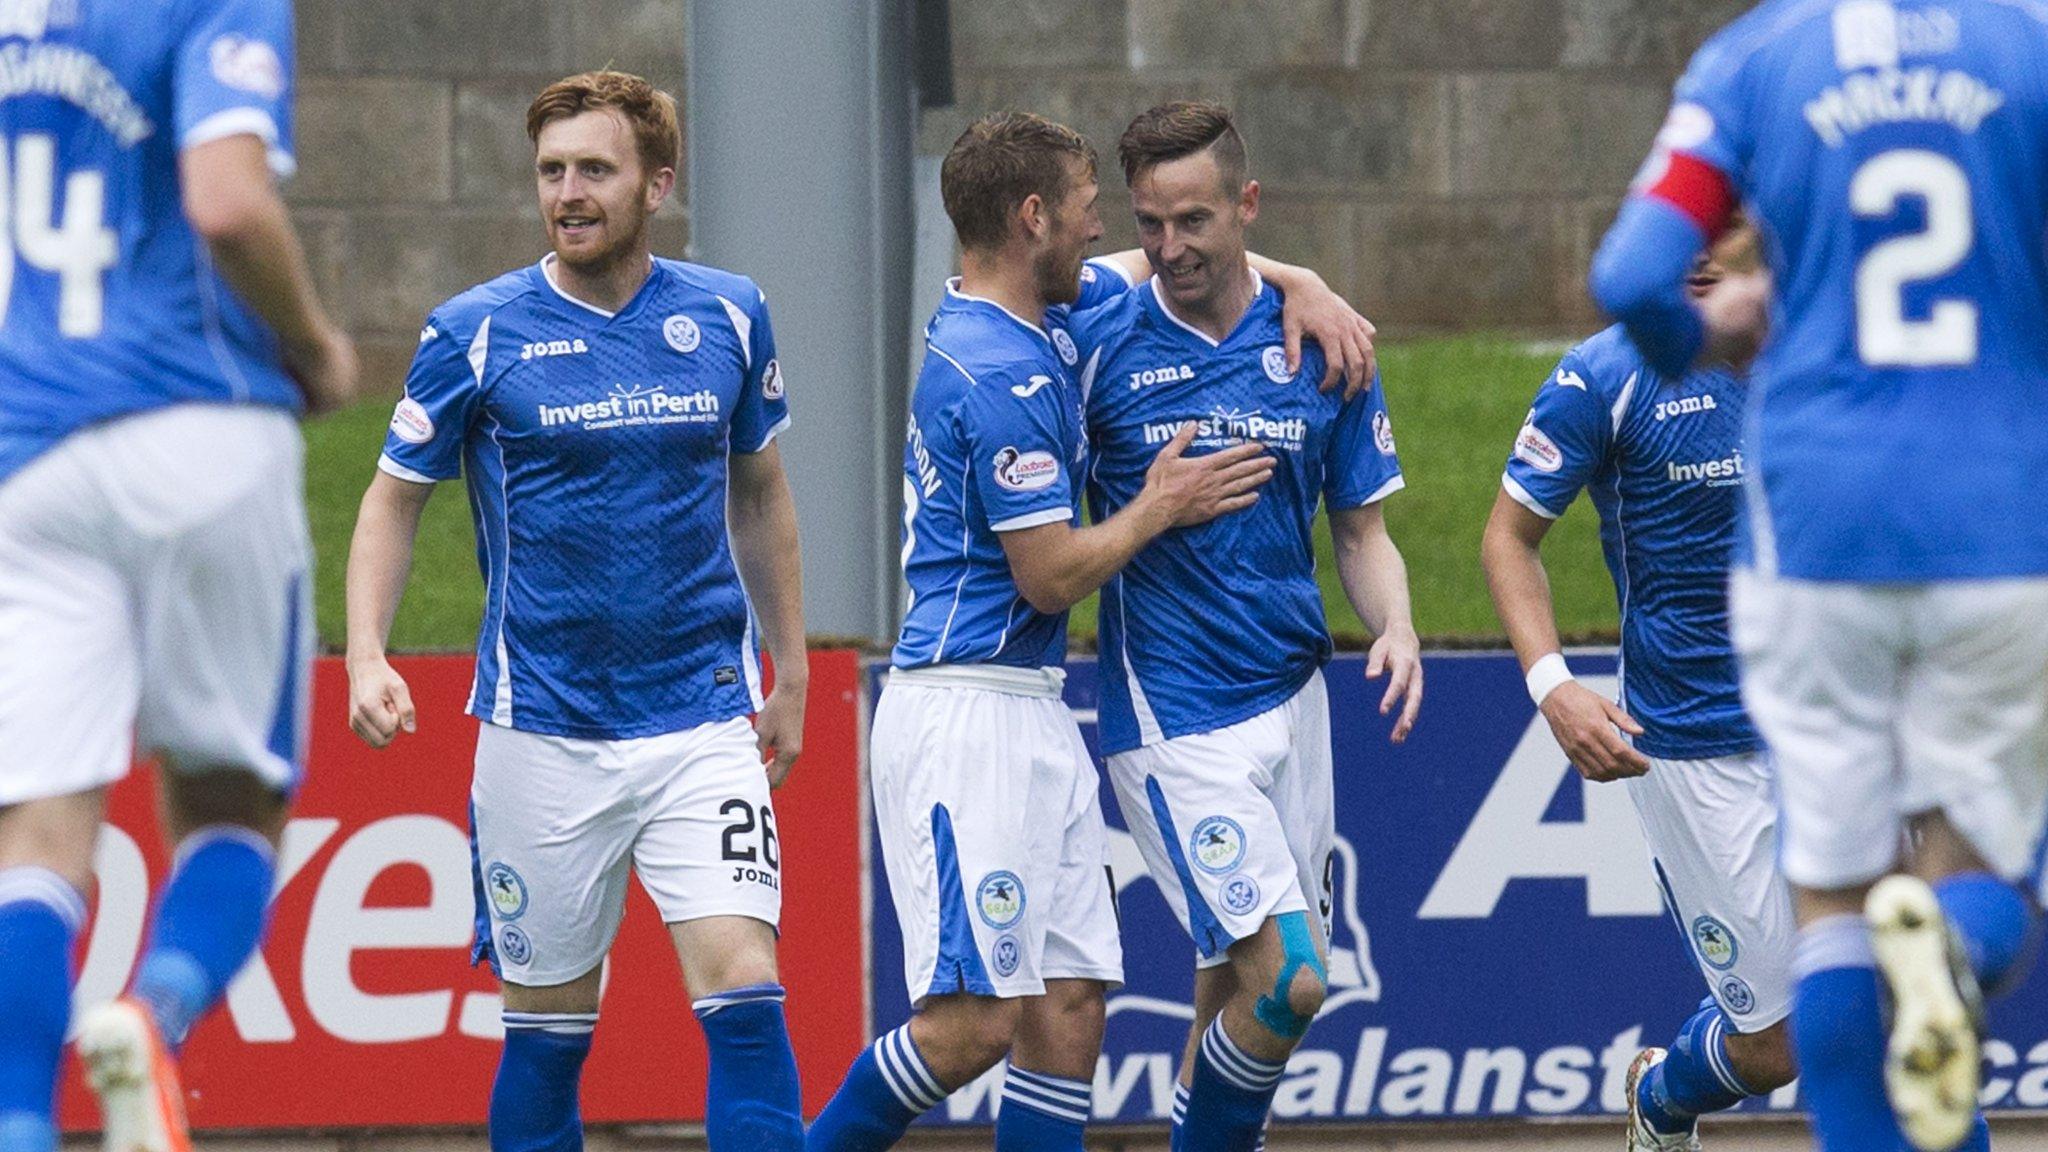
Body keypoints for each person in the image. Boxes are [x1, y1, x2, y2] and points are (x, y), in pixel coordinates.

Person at [805, 110, 1373, 1152]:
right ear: (1031, 220)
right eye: (1084, 214)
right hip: (961, 710)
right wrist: (1159, 505)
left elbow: (1177, 260)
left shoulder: (1025, 318)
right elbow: (1047, 575)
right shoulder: (1003, 374)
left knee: (1067, 1019)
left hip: (1031, 711)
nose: (1106, 234)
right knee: (968, 1028)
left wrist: (1305, 283)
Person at [1590, 3, 2048, 1148]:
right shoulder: (2030, 45)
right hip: (1994, 516)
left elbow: (1635, 273)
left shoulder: (1752, 61)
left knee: (1832, 907)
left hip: (1811, 530)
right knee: (1971, 869)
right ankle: (1950, 945)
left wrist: (1717, 331)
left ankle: (1904, 964)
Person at [344, 71, 806, 1152]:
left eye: (594, 168)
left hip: (699, 720)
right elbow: (390, 498)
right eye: (551, 171)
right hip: (540, 731)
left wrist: (786, 671)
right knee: (549, 1030)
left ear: (657, 181)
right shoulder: (474, 331)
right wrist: (366, 650)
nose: (568, 192)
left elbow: (761, 491)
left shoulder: (728, 312)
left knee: (745, 986)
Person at [0, 3, 360, 1151]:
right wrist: (314, 346)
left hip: (31, 456)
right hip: (198, 427)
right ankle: (150, 1020)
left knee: (36, 841)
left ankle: (18, 1122)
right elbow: (225, 198)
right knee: (229, 804)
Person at [1068, 101, 1422, 1152]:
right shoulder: (1100, 338)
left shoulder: (1323, 344)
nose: (1169, 248)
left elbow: (1360, 531)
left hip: (1290, 698)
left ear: (1245, 206)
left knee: (1231, 979)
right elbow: (994, 302)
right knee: (1293, 980)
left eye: (1193, 221)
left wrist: (1395, 626)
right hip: (1171, 715)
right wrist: (1294, 270)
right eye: (1147, 224)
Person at [1483, 222, 1804, 1151]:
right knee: (1778, 1045)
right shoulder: (1601, 378)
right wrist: (1553, 687)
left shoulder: (1815, 349)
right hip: (1695, 741)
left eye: (1722, 229)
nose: (1699, 252)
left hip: (1831, 718)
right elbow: (1509, 541)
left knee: (1908, 986)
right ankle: (1663, 1097)